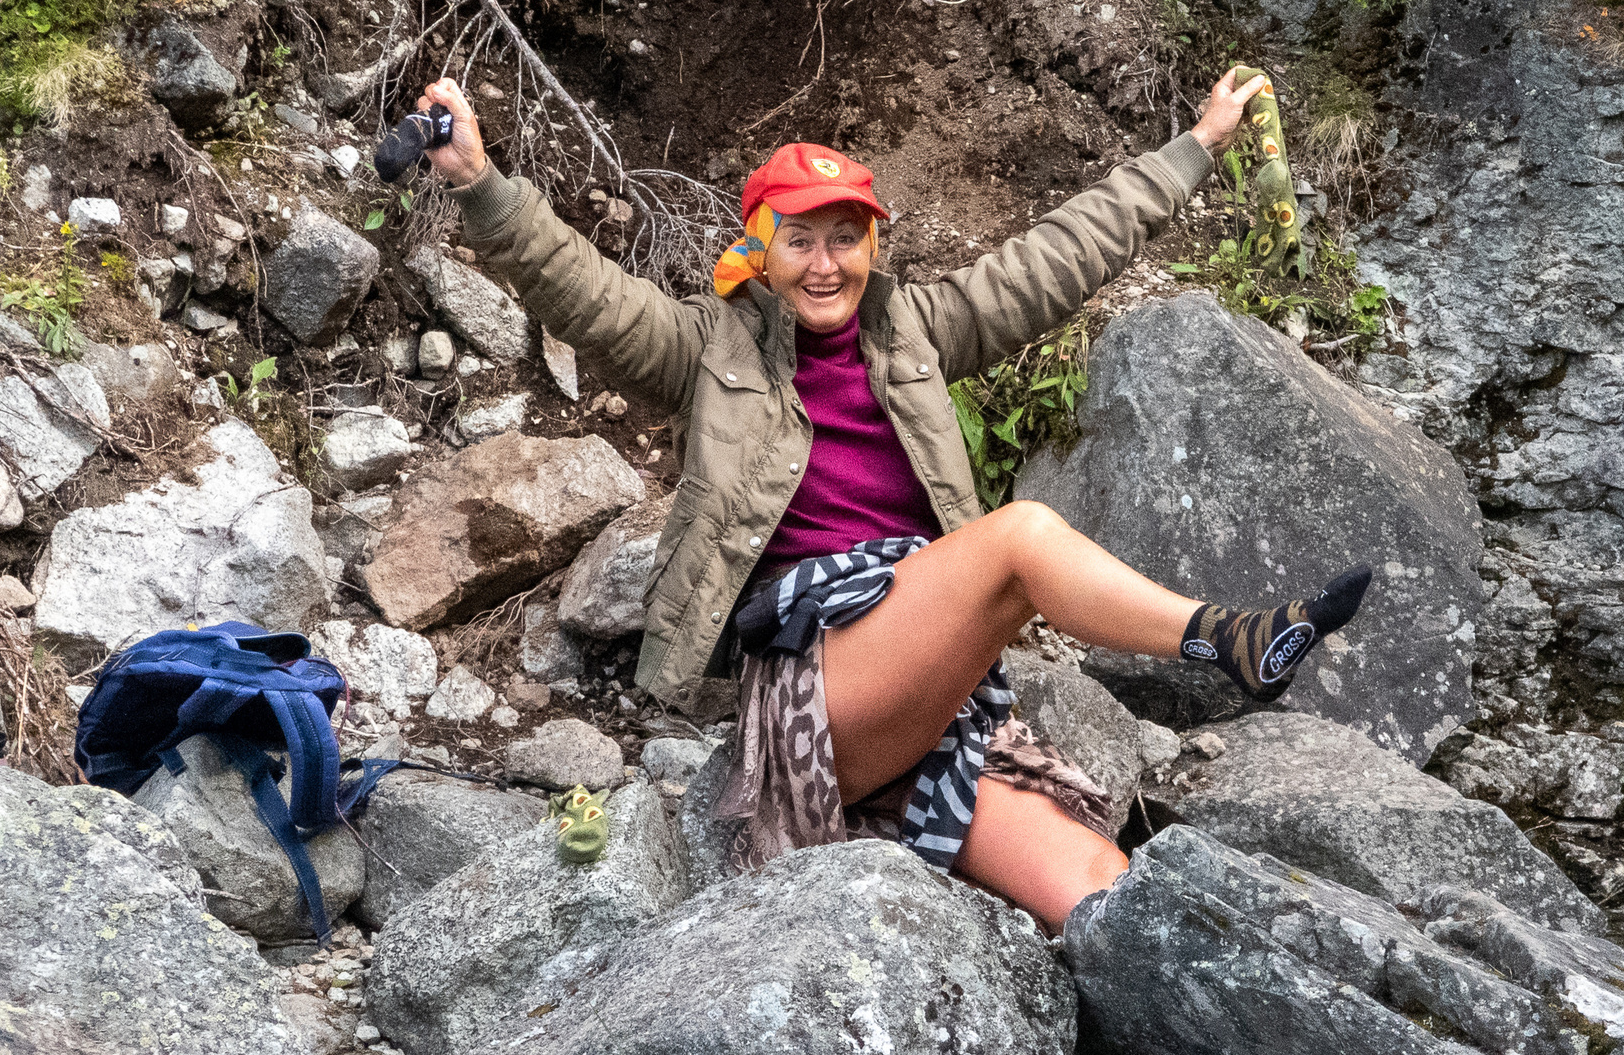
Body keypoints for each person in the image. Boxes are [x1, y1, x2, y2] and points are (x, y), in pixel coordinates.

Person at [415, 68, 1370, 928]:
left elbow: (1056, 257)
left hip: (933, 701)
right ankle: (1229, 641)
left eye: (846, 238)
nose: (824, 264)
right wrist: (479, 182)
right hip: (816, 695)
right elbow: (580, 291)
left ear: (873, 244)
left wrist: (1195, 148)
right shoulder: (704, 347)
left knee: (1101, 892)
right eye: (799, 241)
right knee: (1021, 539)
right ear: (759, 246)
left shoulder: (916, 330)